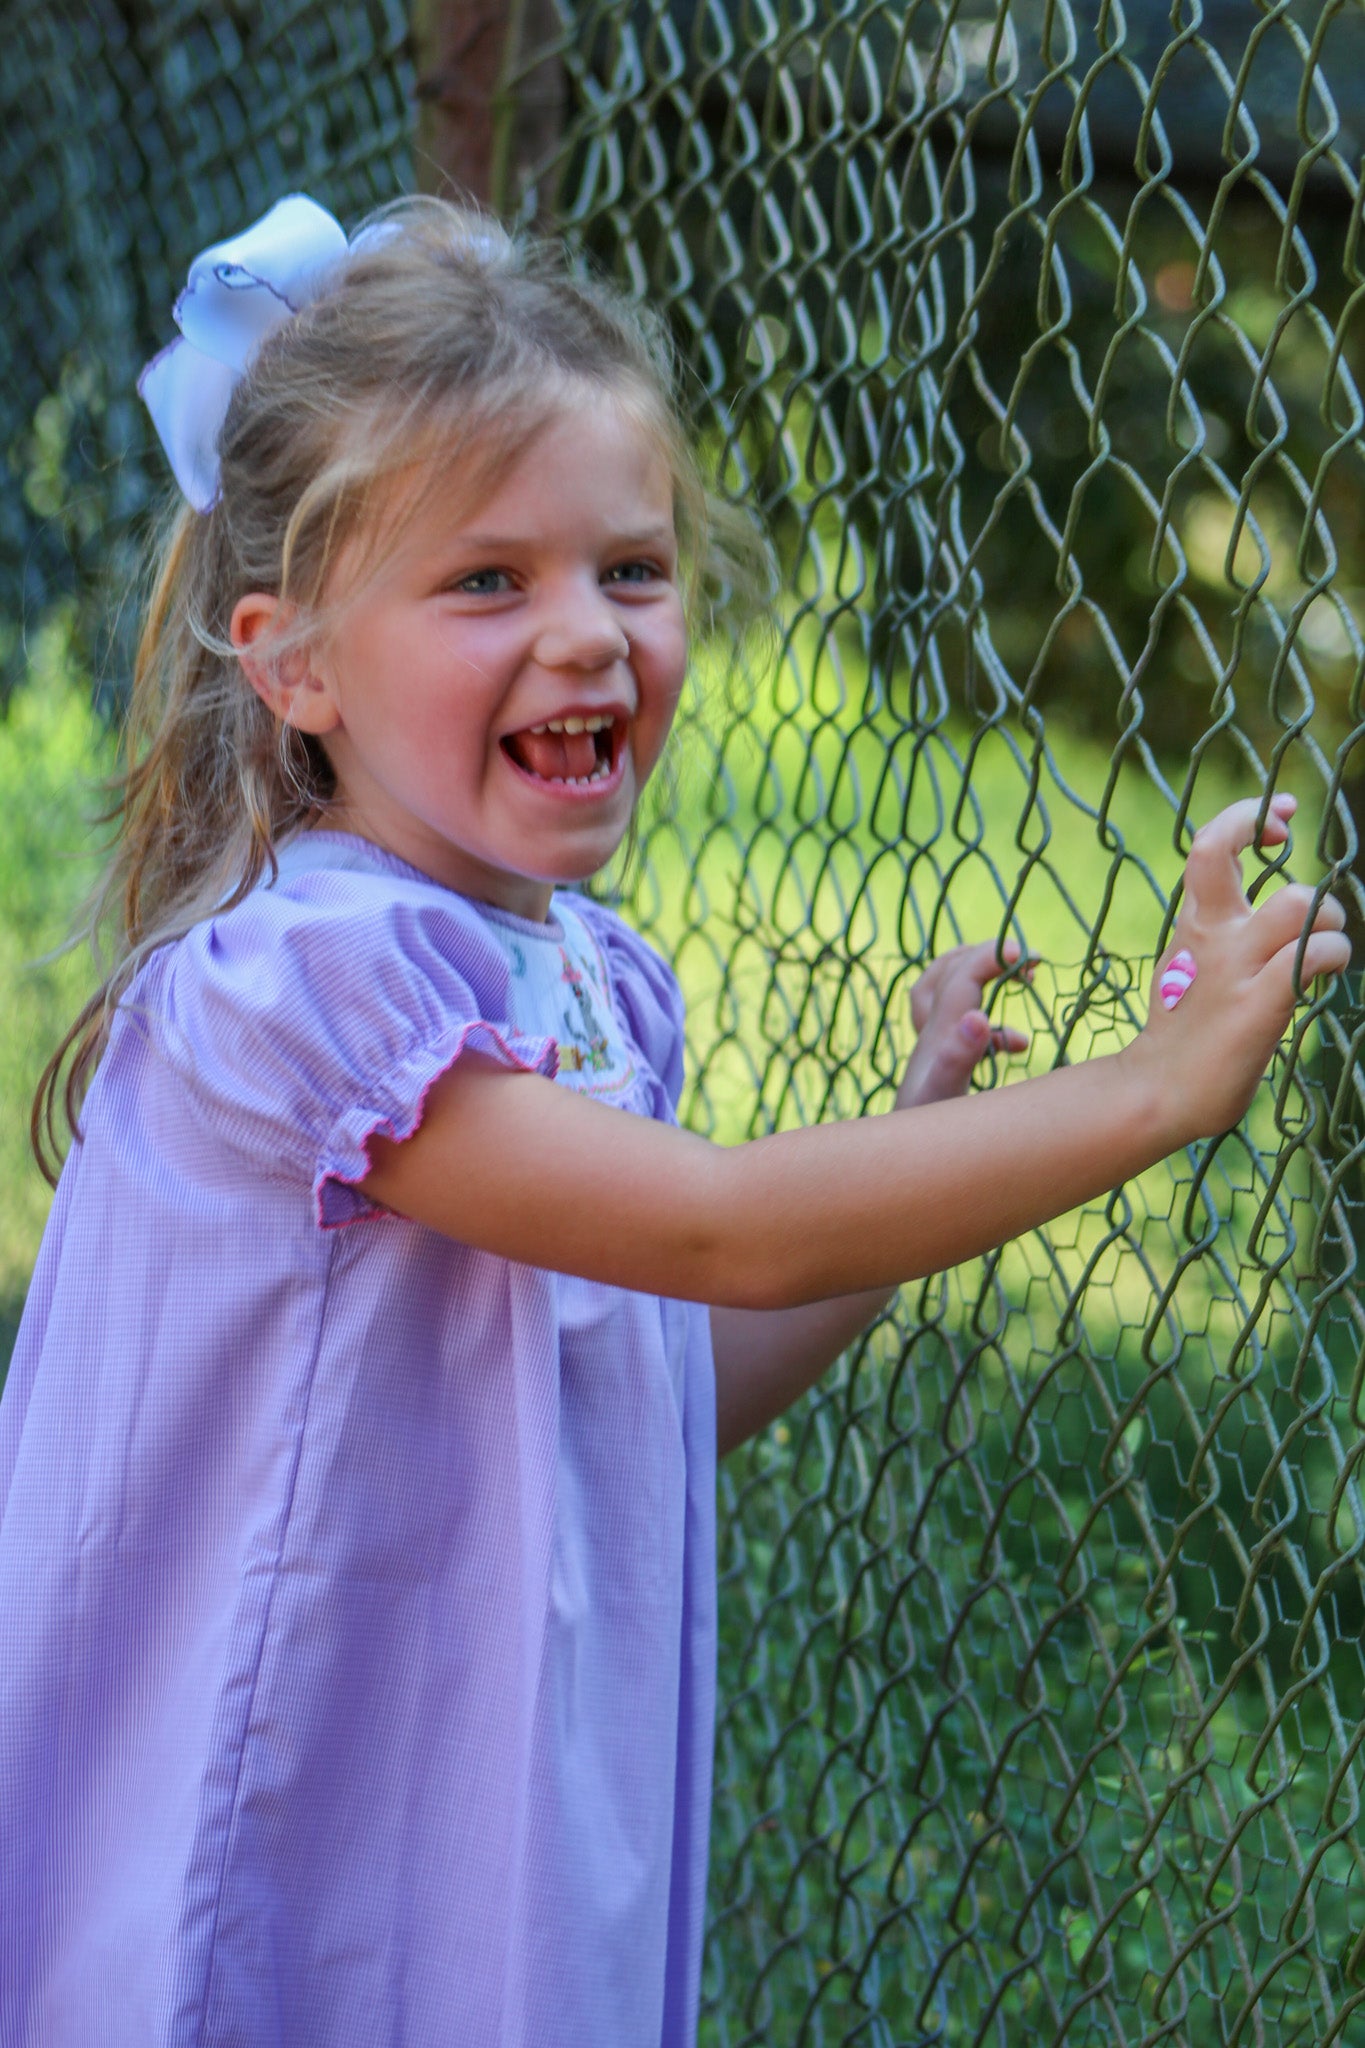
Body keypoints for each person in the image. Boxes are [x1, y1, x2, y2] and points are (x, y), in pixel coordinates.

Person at [0, 192, 1348, 2048]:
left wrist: (915, 1133)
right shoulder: (309, 982)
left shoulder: (581, 979)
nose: (586, 635)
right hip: (284, 1822)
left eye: (630, 570)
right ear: (293, 661)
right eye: (487, 582)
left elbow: (645, 1382)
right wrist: (1153, 1087)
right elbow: (724, 1225)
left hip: (464, 1817)